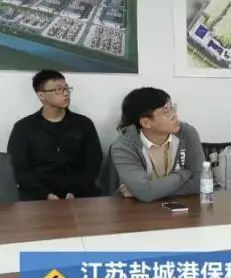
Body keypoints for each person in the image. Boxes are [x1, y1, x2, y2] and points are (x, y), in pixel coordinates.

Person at [6, 70, 103, 200]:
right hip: (37, 198)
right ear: (41, 95)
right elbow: (19, 169)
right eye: (58, 90)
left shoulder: (84, 124)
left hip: (79, 194)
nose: (65, 93)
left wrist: (74, 192)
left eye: (67, 88)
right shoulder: (23, 128)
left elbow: (93, 162)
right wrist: (46, 195)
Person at [106, 87, 203, 202]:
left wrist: (147, 192)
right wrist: (184, 174)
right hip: (135, 208)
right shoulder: (124, 147)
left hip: (180, 205)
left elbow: (201, 182)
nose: (175, 115)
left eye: (172, 108)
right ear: (146, 123)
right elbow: (145, 192)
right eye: (166, 111)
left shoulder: (186, 133)